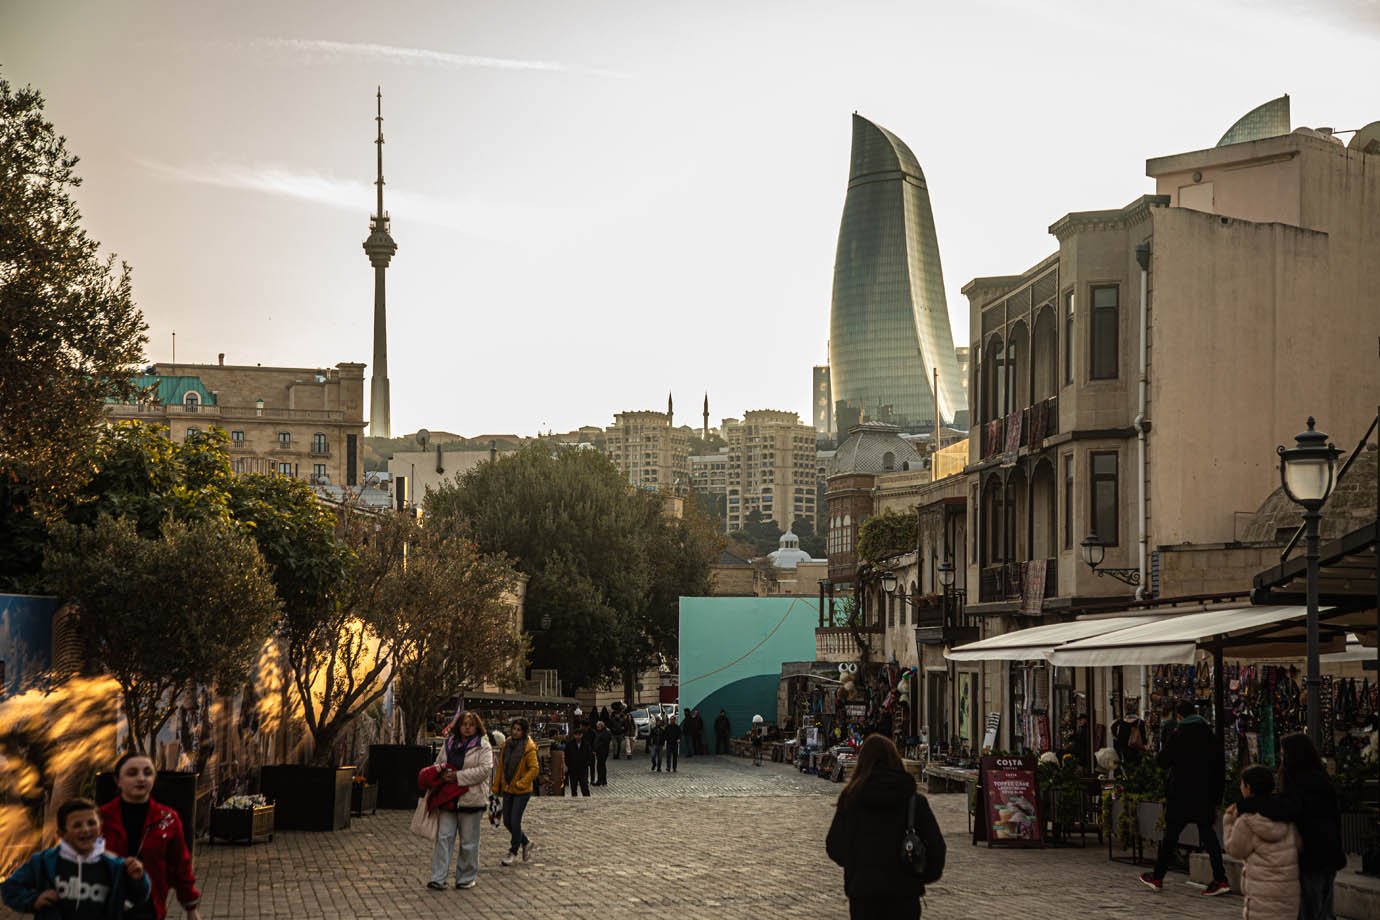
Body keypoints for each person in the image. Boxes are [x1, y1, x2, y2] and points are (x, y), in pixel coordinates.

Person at [825, 735, 945, 920]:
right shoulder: (913, 801)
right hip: (904, 895)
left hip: (864, 896)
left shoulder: (852, 800)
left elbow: (835, 846)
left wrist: (857, 867)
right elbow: (936, 848)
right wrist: (918, 877)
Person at [1236, 733, 1345, 920]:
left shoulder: (1305, 783)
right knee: (1322, 910)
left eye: (1283, 754)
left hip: (1313, 855)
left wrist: (1250, 804)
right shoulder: (1318, 780)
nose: (1281, 759)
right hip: (1326, 854)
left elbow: (1287, 809)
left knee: (1311, 909)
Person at [2, 796, 151, 918]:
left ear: (100, 828)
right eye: (77, 825)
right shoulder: (43, 862)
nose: (85, 829)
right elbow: (10, 888)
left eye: (91, 823)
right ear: (61, 833)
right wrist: (33, 900)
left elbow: (138, 897)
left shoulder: (114, 865)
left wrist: (138, 879)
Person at [1138, 700, 1229, 896]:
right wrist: (1217, 796)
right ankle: (1220, 878)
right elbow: (1220, 769)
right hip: (1205, 794)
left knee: (1171, 836)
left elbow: (1162, 761)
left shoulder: (1179, 735)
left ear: (1179, 716)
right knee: (1209, 837)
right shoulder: (1210, 736)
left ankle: (1157, 876)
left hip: (1181, 794)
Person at [98, 752, 201, 920]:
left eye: (147, 773)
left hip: (149, 904)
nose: (141, 778)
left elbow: (180, 864)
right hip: (104, 903)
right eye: (132, 773)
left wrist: (191, 906)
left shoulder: (167, 818)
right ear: (118, 780)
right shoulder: (99, 818)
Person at [420, 709, 493, 890]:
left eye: (471, 725)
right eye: (464, 725)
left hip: (471, 798)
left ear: (477, 727)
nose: (467, 728)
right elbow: (439, 763)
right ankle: (438, 877)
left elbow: (484, 770)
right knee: (444, 837)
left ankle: (465, 877)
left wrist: (458, 776)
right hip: (448, 799)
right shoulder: (449, 743)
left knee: (469, 842)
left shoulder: (483, 745)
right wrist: (442, 773)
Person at [1223, 763, 1301, 920]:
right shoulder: (1286, 815)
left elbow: (1235, 850)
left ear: (1248, 787)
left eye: (1242, 784)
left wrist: (1228, 821)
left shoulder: (1247, 820)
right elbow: (1298, 846)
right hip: (1288, 894)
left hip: (1261, 896)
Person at [492, 718, 539, 867]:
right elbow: (501, 767)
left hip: (521, 790)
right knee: (507, 821)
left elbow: (534, 769)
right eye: (514, 729)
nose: (515, 732)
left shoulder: (529, 748)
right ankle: (525, 842)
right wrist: (496, 785)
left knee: (515, 820)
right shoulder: (506, 745)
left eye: (519, 730)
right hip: (508, 788)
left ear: (524, 731)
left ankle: (513, 851)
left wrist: (522, 783)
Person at [1112, 703, 1149, 767]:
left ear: (1126, 710)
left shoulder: (1120, 721)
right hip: (1136, 748)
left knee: (1125, 765)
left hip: (1123, 748)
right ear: (1136, 710)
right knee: (1136, 766)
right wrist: (1145, 745)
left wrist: (1117, 737)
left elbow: (1113, 727)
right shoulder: (1140, 722)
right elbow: (1143, 737)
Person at [563, 725, 591, 796]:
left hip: (583, 768)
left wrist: (587, 764)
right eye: (576, 735)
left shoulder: (586, 744)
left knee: (584, 786)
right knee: (573, 787)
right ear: (574, 735)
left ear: (582, 735)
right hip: (573, 769)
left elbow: (589, 755)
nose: (578, 736)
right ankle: (574, 800)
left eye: (579, 735)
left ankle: (587, 800)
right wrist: (569, 765)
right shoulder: (570, 744)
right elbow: (567, 755)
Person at [592, 721, 612, 786]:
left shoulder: (605, 733)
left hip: (602, 751)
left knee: (601, 766)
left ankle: (601, 780)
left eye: (598, 727)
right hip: (600, 751)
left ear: (601, 726)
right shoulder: (601, 732)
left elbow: (602, 743)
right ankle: (602, 780)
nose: (597, 728)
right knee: (601, 766)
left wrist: (596, 749)